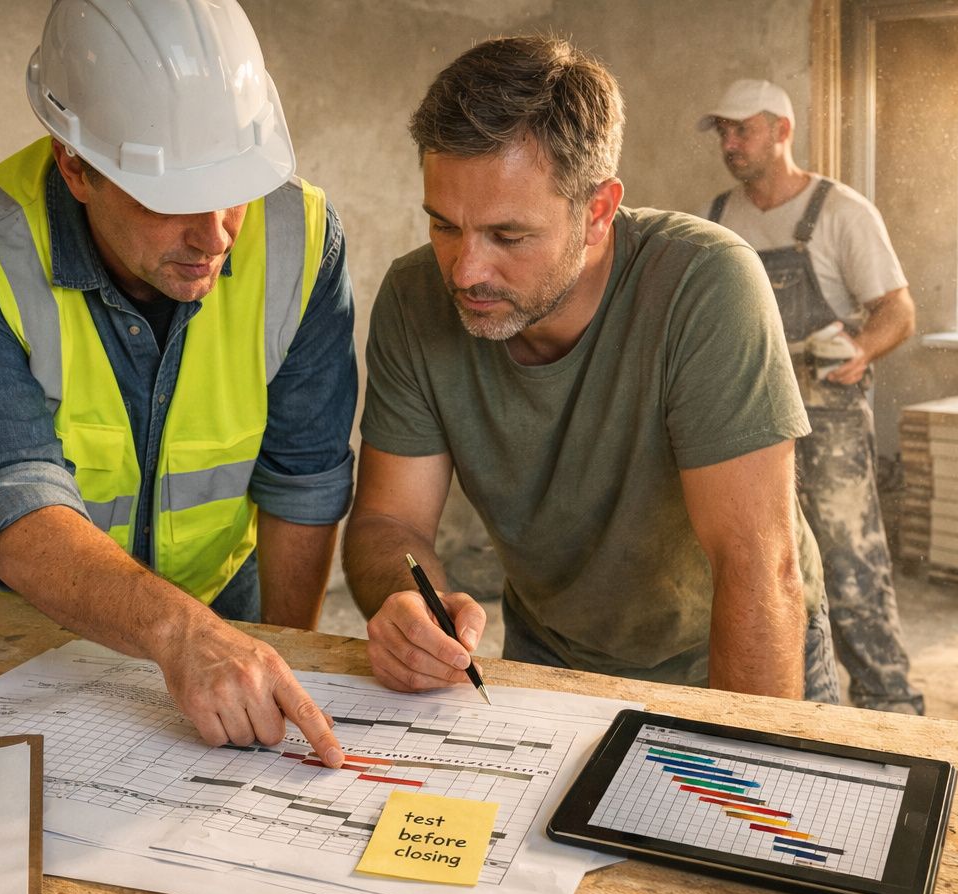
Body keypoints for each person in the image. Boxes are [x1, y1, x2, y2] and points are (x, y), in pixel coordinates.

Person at [0, 0, 355, 766]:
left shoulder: (302, 237)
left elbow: (303, 479)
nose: (214, 237)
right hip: (24, 615)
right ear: (75, 166)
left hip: (222, 595)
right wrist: (180, 634)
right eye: (172, 199)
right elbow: (12, 499)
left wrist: (283, 653)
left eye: (233, 188)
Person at [342, 36, 839, 704]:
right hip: (551, 653)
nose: (465, 272)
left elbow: (756, 566)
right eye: (444, 227)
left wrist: (741, 769)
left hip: (730, 654)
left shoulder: (707, 284)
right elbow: (387, 525)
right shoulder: (413, 297)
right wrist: (409, 601)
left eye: (508, 237)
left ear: (598, 212)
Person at [698, 79, 924, 715]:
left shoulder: (842, 212)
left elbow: (897, 310)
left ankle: (892, 711)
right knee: (760, 563)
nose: (731, 143)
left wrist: (861, 352)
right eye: (723, 131)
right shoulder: (717, 218)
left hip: (828, 409)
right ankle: (789, 713)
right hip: (745, 412)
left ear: (783, 131)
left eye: (743, 129)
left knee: (851, 567)